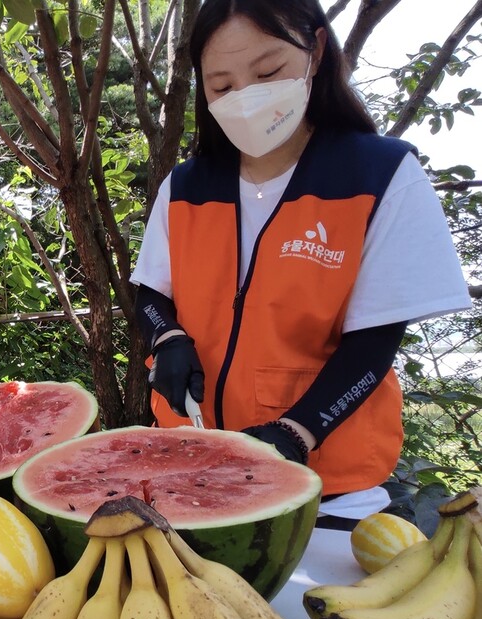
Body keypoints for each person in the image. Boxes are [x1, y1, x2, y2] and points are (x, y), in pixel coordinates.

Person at [131, 0, 471, 498]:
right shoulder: (185, 187)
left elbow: (375, 342)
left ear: (315, 49)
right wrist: (167, 339)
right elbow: (150, 293)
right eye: (222, 86)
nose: (245, 98)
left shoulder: (380, 176)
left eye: (268, 72)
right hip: (188, 460)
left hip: (326, 475)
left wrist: (297, 432)